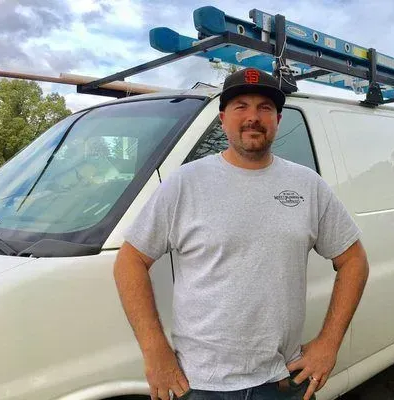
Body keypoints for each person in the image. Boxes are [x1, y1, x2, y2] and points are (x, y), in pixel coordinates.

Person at [113, 67, 369, 400]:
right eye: (241, 107)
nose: (253, 117)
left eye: (265, 107)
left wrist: (328, 344)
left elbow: (354, 261)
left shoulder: (307, 186)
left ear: (278, 119)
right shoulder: (185, 183)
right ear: (222, 118)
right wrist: (155, 351)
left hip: (282, 381)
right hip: (200, 384)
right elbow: (130, 260)